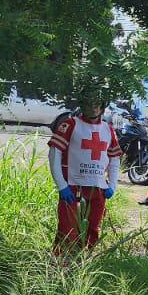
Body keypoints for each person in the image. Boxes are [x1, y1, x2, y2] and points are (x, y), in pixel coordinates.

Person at [48, 95, 122, 252]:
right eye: (89, 102)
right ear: (82, 104)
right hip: (73, 187)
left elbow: (114, 158)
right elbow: (54, 153)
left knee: (92, 230)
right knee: (67, 230)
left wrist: (112, 185)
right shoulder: (71, 124)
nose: (93, 107)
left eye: (97, 103)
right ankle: (61, 266)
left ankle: (85, 264)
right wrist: (62, 185)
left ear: (102, 106)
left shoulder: (108, 129)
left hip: (98, 189)